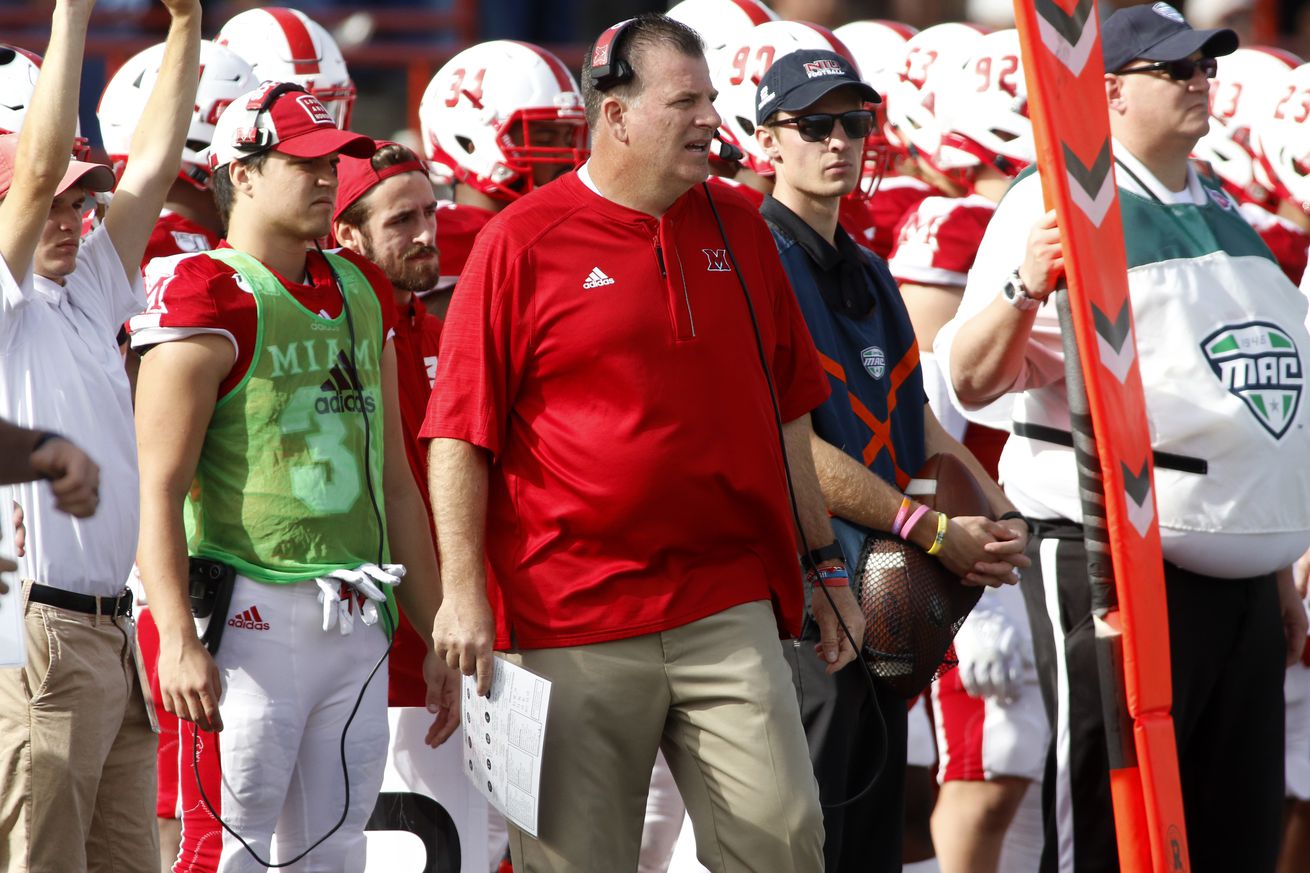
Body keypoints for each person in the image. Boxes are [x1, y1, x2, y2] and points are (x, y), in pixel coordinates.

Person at [424, 13, 862, 873]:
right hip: (568, 614)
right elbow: (459, 435)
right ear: (616, 113)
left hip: (726, 600)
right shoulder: (519, 241)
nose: (711, 119)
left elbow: (789, 416)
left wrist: (826, 563)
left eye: (711, 100)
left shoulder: (743, 227)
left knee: (784, 838)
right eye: (685, 102)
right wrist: (464, 592)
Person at [935, 6, 1310, 872]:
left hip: (1240, 578)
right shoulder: (1052, 197)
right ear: (1107, 91)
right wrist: (1025, 283)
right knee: (1113, 828)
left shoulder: (1220, 201)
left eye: (1206, 66)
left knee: (1237, 834)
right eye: (1175, 70)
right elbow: (968, 379)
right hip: (1116, 555)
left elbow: (1252, 398)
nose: (1200, 82)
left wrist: (1272, 560)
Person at [130, 83, 456, 872]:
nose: (325, 178)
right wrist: (176, 637)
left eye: (332, 163)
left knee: (337, 849)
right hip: (246, 608)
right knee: (226, 850)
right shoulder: (208, 291)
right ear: (241, 173)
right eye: (303, 163)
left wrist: (436, 627)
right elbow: (156, 488)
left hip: (357, 608)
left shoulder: (360, 286)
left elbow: (396, 483)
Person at [751, 49, 1031, 873]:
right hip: (808, 594)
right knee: (807, 842)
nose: (839, 140)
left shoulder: (871, 268)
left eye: (853, 122)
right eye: (814, 125)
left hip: (886, 589)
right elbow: (792, 448)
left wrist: (1002, 512)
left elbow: (923, 423)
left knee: (874, 837)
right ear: (768, 141)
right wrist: (931, 529)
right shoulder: (756, 260)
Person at [0, 1, 201, 871]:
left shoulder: (80, 289)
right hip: (38, 632)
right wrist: (74, 11)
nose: (70, 215)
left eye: (82, 201)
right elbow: (38, 169)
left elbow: (153, 165)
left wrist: (187, 25)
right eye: (53, 203)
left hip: (110, 632)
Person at [417, 39, 588, 311]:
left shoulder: (570, 228)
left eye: (568, 139)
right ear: (469, 142)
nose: (566, 157)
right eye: (544, 139)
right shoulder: (434, 236)